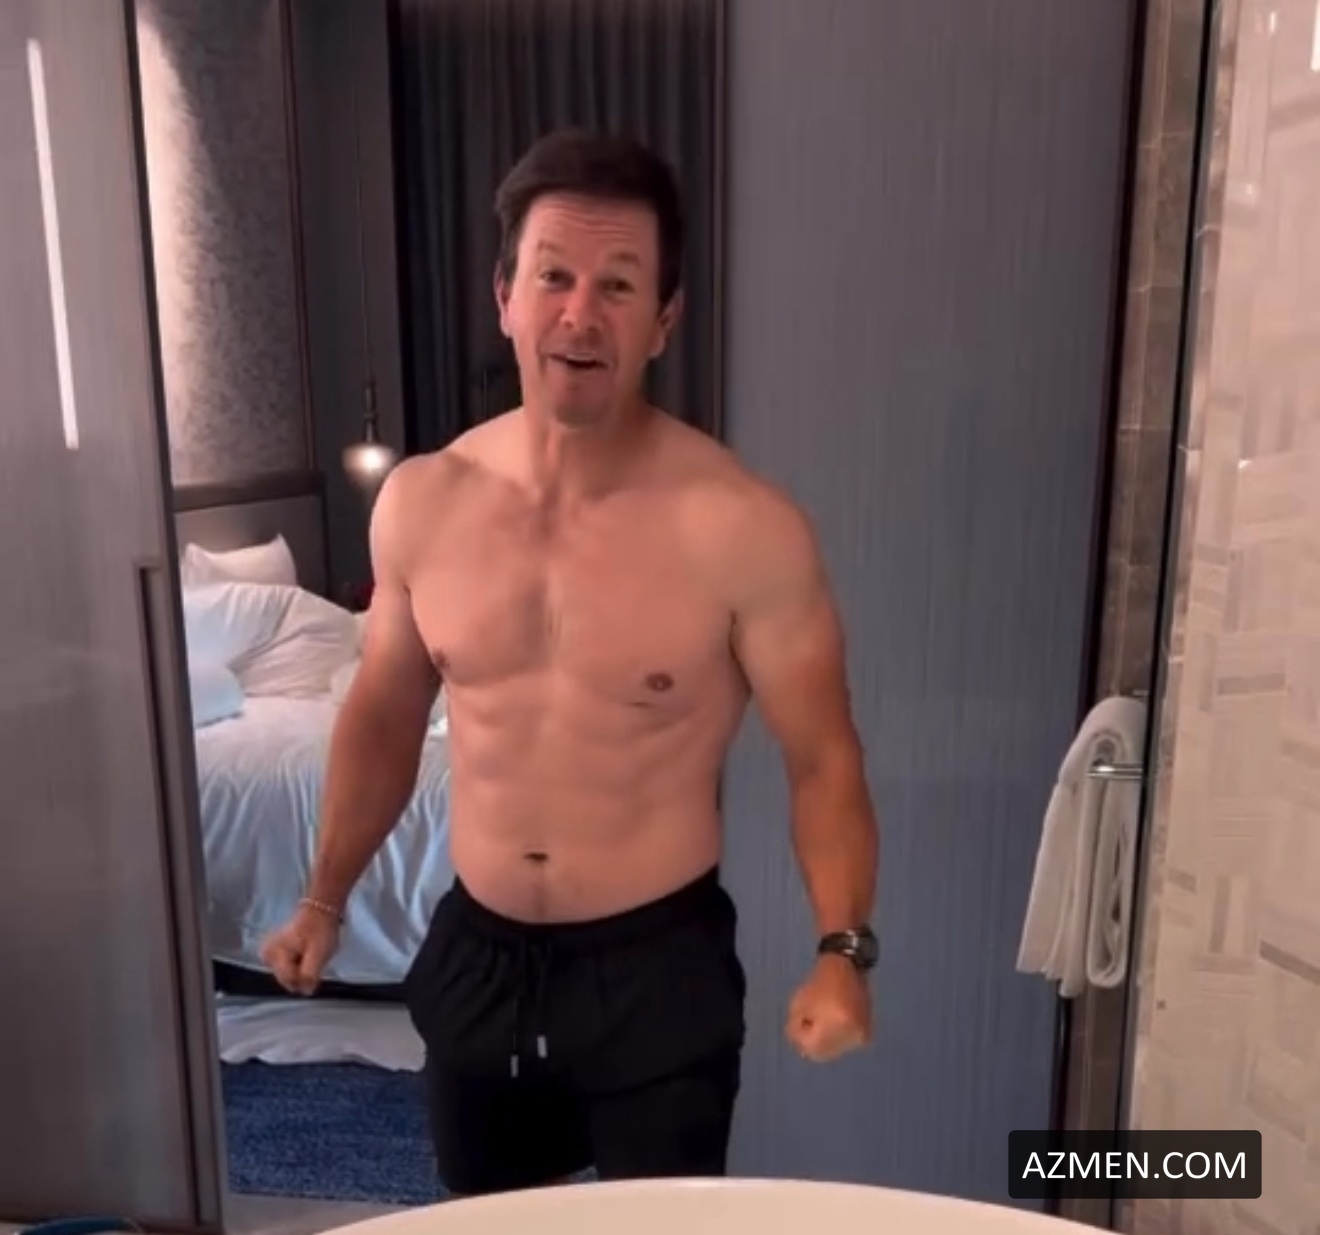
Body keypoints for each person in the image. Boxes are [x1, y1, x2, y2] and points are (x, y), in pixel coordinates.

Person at [261, 128, 880, 1196]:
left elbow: (823, 756)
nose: (580, 314)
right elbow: (383, 716)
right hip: (480, 952)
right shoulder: (422, 502)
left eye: (619, 284)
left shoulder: (743, 528)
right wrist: (324, 898)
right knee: (487, 1222)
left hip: (658, 966)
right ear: (506, 295)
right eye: (554, 276)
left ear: (664, 319)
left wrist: (844, 951)